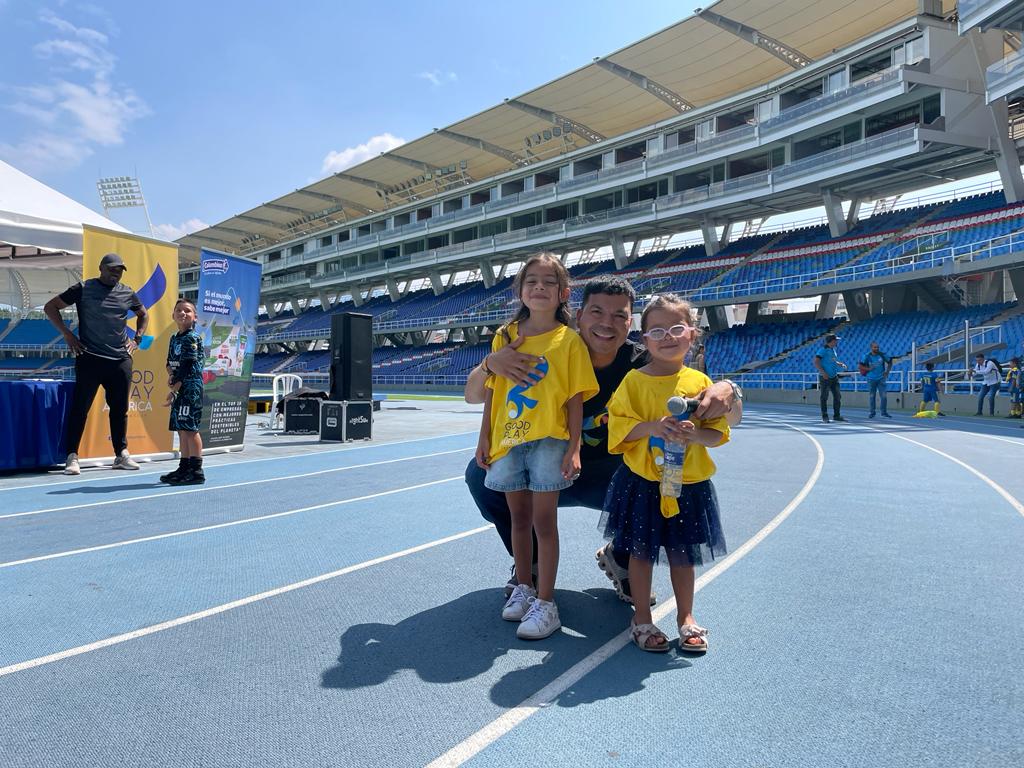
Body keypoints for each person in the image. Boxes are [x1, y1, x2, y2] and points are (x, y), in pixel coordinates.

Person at [463, 275, 742, 606]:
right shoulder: (554, 350)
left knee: (660, 482)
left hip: (613, 477)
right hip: (550, 467)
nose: (607, 324)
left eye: (619, 316)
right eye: (597, 312)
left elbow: (731, 418)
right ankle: (530, 564)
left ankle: (622, 559)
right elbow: (473, 396)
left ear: (630, 324)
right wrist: (489, 365)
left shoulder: (643, 363)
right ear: (579, 316)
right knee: (481, 478)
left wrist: (730, 390)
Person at [476, 252, 599, 640]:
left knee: (545, 522)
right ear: (520, 290)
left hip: (549, 440)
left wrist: (574, 446)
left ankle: (547, 602)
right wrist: (484, 436)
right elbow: (493, 393)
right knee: (519, 520)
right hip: (508, 441)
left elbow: (575, 399)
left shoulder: (569, 341)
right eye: (531, 281)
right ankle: (524, 588)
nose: (539, 288)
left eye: (548, 282)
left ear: (563, 293)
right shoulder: (505, 337)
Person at [600, 294, 729, 653]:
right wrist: (653, 427)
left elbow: (718, 433)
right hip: (644, 483)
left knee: (682, 554)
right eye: (656, 330)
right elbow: (620, 430)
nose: (667, 337)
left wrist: (694, 435)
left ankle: (686, 616)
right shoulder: (634, 382)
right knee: (640, 554)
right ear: (644, 339)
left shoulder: (701, 382)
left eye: (676, 328)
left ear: (692, 333)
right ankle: (641, 617)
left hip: (688, 485)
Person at [43, 253, 148, 475]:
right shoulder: (83, 288)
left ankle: (121, 454)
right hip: (89, 358)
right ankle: (72, 456)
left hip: (120, 360)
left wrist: (137, 339)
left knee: (120, 410)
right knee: (80, 410)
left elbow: (143, 314)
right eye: (111, 269)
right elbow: (50, 307)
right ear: (101, 268)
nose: (115, 273)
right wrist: (67, 335)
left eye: (119, 270)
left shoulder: (127, 292)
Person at [161, 299, 206, 485]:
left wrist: (176, 386)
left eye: (187, 311)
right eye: (178, 310)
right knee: (181, 429)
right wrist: (171, 375)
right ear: (173, 315)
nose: (182, 313)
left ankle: (196, 471)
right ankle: (184, 466)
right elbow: (170, 362)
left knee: (190, 429)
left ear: (194, 317)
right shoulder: (174, 338)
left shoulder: (192, 338)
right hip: (179, 386)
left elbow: (188, 364)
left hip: (190, 387)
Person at [813, 333, 846, 423]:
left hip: (834, 376)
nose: (837, 342)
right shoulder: (822, 350)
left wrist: (840, 364)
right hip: (825, 378)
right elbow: (816, 362)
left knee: (837, 396)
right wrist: (823, 373)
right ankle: (825, 416)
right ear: (831, 341)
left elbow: (833, 360)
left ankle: (837, 415)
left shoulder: (833, 350)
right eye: (836, 340)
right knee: (824, 397)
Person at [860, 341, 892, 418]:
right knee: (872, 396)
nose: (876, 348)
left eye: (877, 347)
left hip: (881, 378)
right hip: (871, 379)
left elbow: (890, 362)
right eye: (875, 347)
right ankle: (872, 412)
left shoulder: (882, 355)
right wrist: (868, 368)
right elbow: (861, 366)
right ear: (871, 348)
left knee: (884, 396)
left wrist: (887, 372)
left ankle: (884, 412)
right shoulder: (866, 356)